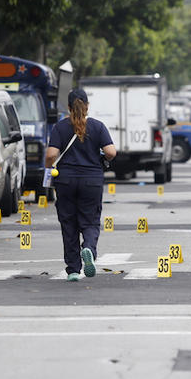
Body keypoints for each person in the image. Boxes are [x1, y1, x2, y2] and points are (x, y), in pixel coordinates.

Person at [45, 89, 116, 281]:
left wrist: (47, 167)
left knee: (69, 224)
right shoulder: (97, 126)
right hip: (91, 181)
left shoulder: (60, 127)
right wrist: (100, 155)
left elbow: (51, 155)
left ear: (68, 107)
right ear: (87, 106)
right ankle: (89, 249)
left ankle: (73, 270)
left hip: (65, 180)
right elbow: (111, 152)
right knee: (90, 221)